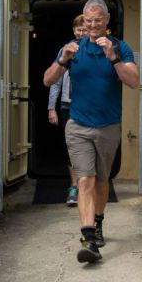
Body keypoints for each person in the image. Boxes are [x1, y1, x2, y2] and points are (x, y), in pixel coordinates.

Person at [41, 0, 140, 264]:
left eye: (98, 20)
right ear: (83, 22)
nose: (93, 25)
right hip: (78, 126)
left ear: (106, 21)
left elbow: (133, 82)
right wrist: (62, 60)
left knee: (101, 181)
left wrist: (114, 59)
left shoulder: (120, 47)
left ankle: (97, 222)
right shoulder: (71, 49)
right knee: (84, 180)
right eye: (88, 21)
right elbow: (48, 80)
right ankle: (88, 239)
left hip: (108, 126)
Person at [47, 15, 87, 206]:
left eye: (84, 29)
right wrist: (51, 108)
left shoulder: (96, 49)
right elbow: (54, 81)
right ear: (73, 31)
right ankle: (74, 186)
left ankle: (87, 186)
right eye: (78, 30)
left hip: (88, 105)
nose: (81, 33)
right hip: (67, 106)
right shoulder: (66, 50)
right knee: (71, 147)